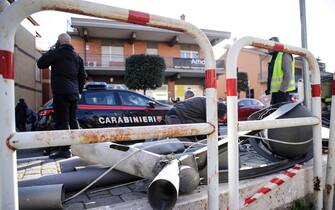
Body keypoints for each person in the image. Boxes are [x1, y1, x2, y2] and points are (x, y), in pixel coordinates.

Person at [37, 33, 86, 159]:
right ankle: (78, 147)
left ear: (59, 42)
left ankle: (65, 150)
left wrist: (52, 49)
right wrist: (79, 91)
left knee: (62, 121)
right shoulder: (77, 57)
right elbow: (82, 77)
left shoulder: (56, 53)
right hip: (74, 94)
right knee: (72, 120)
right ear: (69, 42)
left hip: (61, 92)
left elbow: (41, 63)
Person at [265, 37, 295, 105]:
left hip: (283, 93)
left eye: (269, 45)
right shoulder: (274, 57)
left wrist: (282, 91)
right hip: (276, 93)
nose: (267, 48)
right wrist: (269, 89)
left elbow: (288, 75)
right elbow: (271, 75)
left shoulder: (285, 54)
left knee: (282, 114)